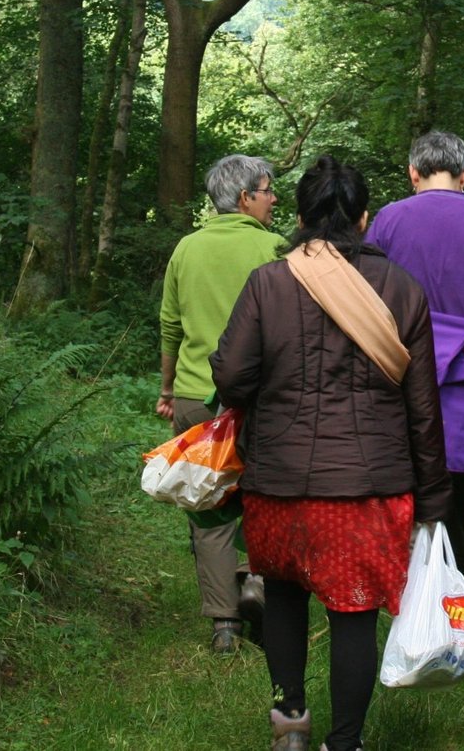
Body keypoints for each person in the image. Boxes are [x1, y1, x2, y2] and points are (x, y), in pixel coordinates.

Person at [211, 155, 452, 751]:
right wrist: (434, 497)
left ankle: (289, 722)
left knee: (286, 603)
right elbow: (423, 408)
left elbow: (234, 378)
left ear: (299, 217)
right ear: (365, 218)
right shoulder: (402, 288)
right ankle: (346, 742)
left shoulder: (269, 283)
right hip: (369, 491)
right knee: (355, 615)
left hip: (279, 483)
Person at [364, 129, 464, 600]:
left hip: (402, 380)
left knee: (405, 499)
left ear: (413, 172)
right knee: (460, 505)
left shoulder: (387, 221)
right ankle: (457, 602)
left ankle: (409, 603)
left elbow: (364, 298)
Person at [157, 154, 287, 655]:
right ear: (244, 198)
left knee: (209, 507)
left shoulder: (186, 249)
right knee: (266, 496)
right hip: (264, 397)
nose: (274, 199)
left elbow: (171, 325)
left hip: (196, 398)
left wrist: (168, 389)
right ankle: (258, 581)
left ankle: (224, 626)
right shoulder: (275, 248)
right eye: (267, 190)